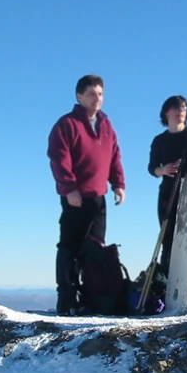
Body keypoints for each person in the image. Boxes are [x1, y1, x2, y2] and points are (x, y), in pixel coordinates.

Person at [47, 74, 126, 315]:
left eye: (100, 94)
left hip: (99, 198)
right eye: (92, 94)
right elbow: (59, 159)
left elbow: (114, 156)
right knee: (70, 248)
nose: (97, 98)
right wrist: (69, 189)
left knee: (94, 249)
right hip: (76, 197)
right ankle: (66, 300)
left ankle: (92, 296)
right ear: (79, 96)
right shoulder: (67, 124)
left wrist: (118, 184)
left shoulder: (105, 124)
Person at [148, 95, 187, 274]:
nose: (182, 110)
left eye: (184, 107)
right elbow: (152, 168)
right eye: (177, 107)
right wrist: (164, 170)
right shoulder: (159, 140)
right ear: (166, 112)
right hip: (167, 193)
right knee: (168, 238)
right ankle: (167, 281)